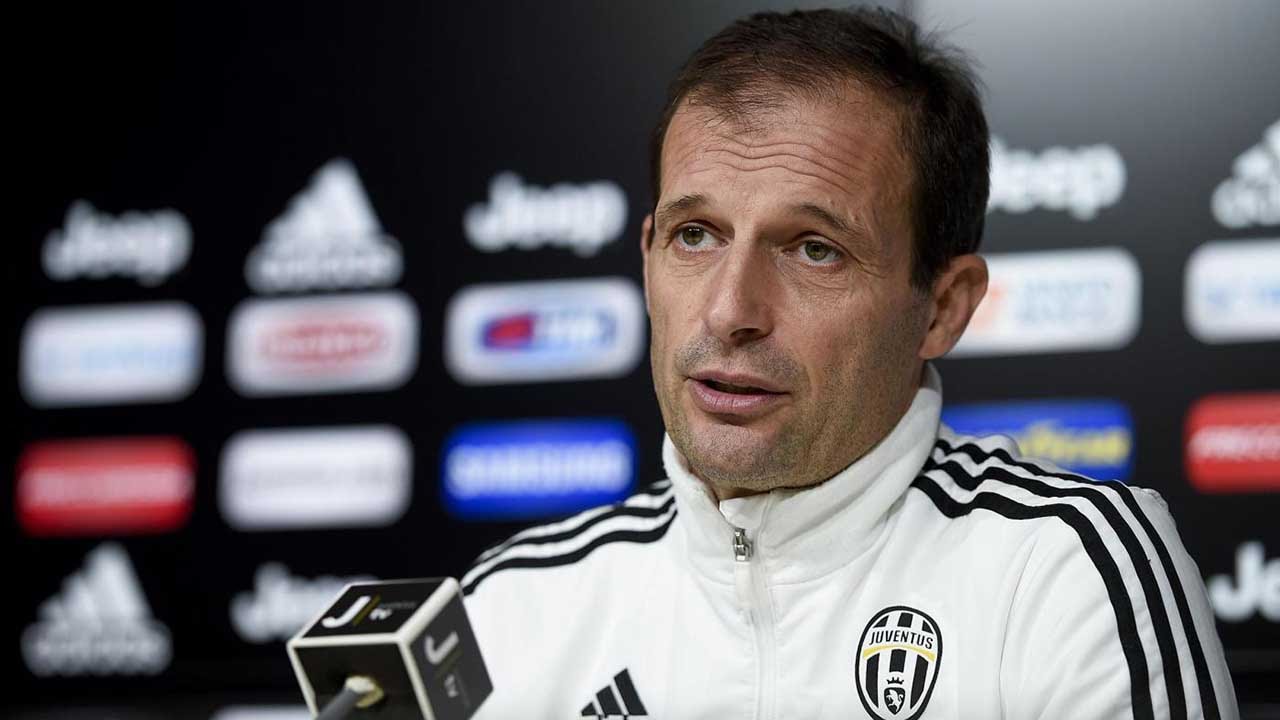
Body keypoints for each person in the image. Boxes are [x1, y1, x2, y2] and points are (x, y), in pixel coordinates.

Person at [461, 7, 1237, 719]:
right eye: (695, 236)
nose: (729, 311)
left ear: (943, 308)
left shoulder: (1064, 569)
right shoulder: (511, 610)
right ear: (647, 256)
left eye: (814, 250)